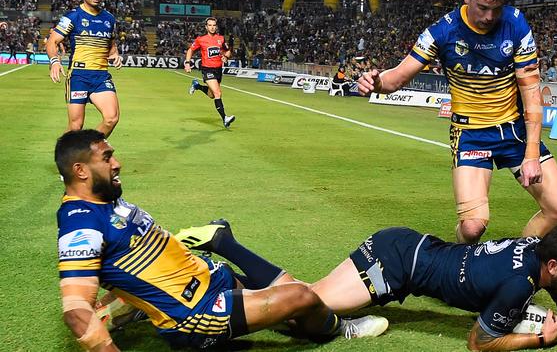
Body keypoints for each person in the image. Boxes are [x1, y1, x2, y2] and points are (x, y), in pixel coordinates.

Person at [55, 129, 387, 351]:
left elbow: (135, 262)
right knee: (301, 296)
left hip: (210, 279)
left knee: (292, 303)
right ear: (81, 170)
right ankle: (342, 329)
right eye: (107, 157)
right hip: (195, 313)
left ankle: (300, 320)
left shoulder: (106, 200)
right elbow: (74, 310)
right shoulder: (79, 225)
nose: (117, 163)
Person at [357, 0, 557, 243]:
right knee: (472, 228)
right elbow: (397, 78)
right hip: (471, 133)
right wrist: (376, 82)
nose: (490, 16)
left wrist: (532, 154)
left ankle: (518, 259)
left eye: (496, 8)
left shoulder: (516, 24)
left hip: (514, 129)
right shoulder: (441, 32)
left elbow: (532, 94)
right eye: (483, 8)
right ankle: (455, 263)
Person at [310, 223, 557, 350]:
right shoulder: (518, 285)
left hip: (404, 243)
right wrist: (542, 339)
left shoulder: (536, 246)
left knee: (310, 294)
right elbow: (479, 342)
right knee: (310, 302)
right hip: (394, 266)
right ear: (554, 266)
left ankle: (266, 287)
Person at [46, 0, 122, 138]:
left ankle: (88, 149)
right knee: (75, 126)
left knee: (111, 118)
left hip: (101, 76)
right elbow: (52, 41)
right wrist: (55, 61)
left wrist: (115, 54)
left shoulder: (109, 19)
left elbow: (111, 43)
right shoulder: (73, 17)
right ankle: (64, 154)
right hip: (78, 76)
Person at [185, 17, 235, 128]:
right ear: (206, 27)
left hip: (218, 70)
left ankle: (197, 86)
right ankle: (225, 118)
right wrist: (187, 62)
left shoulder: (221, 39)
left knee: (212, 95)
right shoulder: (200, 39)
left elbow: (228, 51)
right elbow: (191, 50)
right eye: (210, 25)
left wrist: (226, 57)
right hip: (207, 69)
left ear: (216, 26)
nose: (212, 27)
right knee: (218, 93)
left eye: (214, 25)